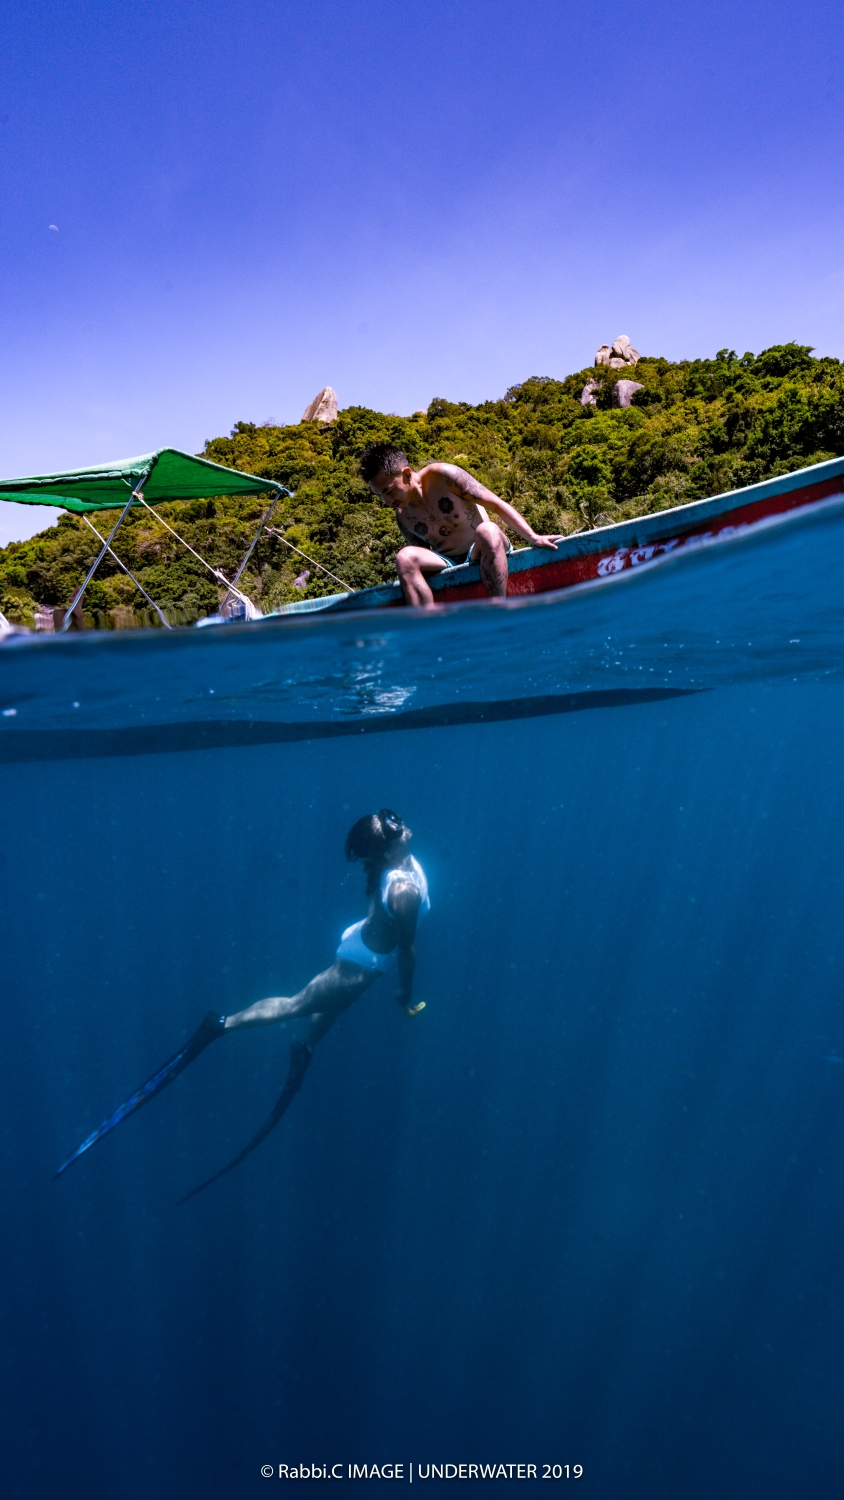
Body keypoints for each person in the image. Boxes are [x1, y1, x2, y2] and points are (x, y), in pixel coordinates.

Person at [54, 810, 429, 1199]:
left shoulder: (395, 869)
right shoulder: (403, 890)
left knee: (332, 1006)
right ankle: (221, 1026)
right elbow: (408, 950)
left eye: (393, 820)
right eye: (393, 827)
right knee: (298, 1004)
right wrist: (404, 994)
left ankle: (306, 1047)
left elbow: (386, 911)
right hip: (365, 961)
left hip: (363, 946)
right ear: (385, 853)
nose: (401, 825)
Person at [360, 443, 564, 605]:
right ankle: (425, 630)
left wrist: (534, 537)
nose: (387, 501)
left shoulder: (444, 476)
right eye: (380, 496)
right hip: (446, 562)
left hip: (481, 548)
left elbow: (496, 505)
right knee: (404, 557)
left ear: (406, 474)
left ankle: (498, 611)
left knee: (488, 530)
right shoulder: (403, 515)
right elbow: (419, 558)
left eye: (388, 491)